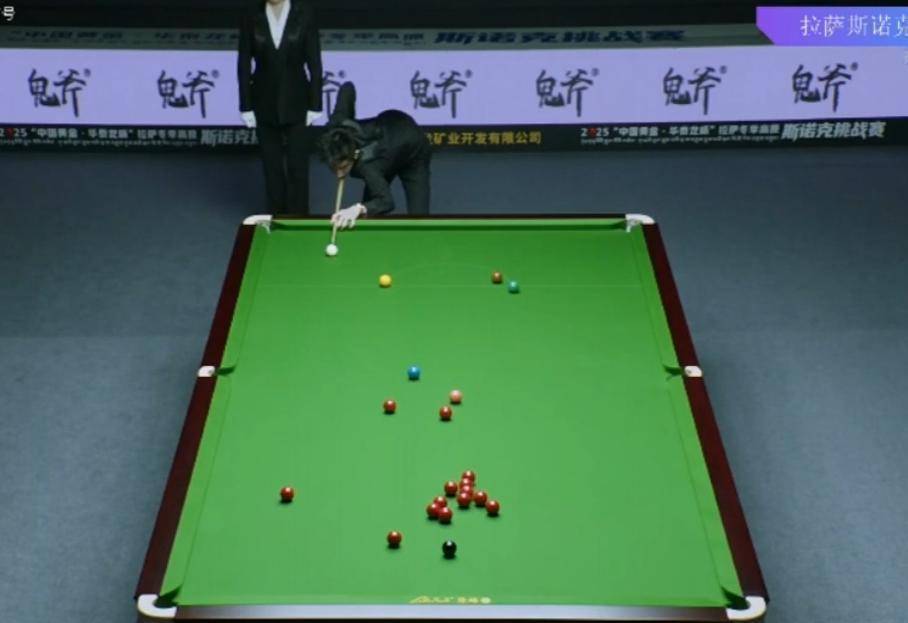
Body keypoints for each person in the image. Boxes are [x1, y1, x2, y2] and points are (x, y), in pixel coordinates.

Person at [237, 0, 323, 214]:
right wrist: (245, 105)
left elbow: (315, 63)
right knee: (271, 165)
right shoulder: (251, 13)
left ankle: (299, 216)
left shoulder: (305, 13)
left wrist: (315, 104)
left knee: (298, 165)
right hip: (263, 101)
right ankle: (276, 214)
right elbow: (244, 62)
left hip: (298, 101)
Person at [318, 82, 432, 228]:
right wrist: (347, 122)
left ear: (353, 155)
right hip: (386, 145)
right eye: (334, 168)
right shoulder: (334, 128)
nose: (339, 175)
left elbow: (387, 202)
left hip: (414, 149)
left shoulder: (366, 165)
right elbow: (347, 87)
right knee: (369, 209)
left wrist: (356, 209)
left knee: (419, 217)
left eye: (343, 168)